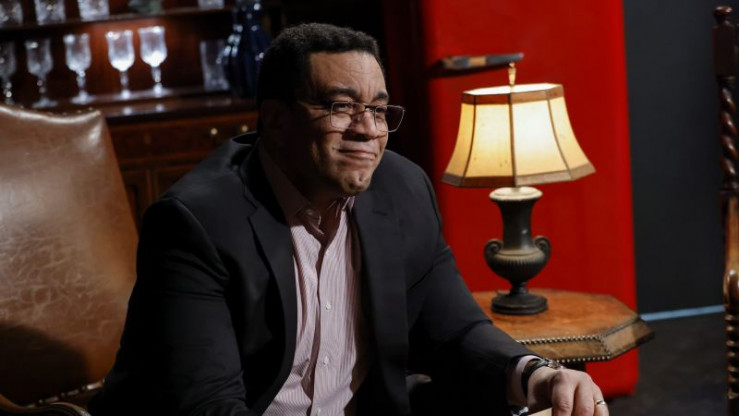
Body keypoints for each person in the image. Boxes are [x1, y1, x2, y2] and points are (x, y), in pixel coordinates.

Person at [89, 23, 608, 416]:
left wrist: (537, 375)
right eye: (341, 106)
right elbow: (206, 404)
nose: (367, 130)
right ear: (276, 120)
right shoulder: (197, 221)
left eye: (378, 110)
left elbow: (453, 331)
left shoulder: (402, 189)